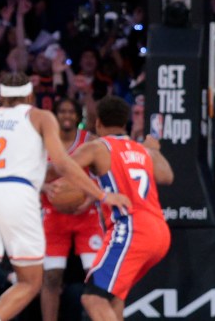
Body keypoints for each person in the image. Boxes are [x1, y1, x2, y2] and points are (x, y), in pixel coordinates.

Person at [0, 73, 130, 321]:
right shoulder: (39, 116)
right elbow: (62, 164)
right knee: (30, 282)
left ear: (0, 97)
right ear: (30, 95)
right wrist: (102, 195)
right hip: (18, 194)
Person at [70, 95, 174, 321]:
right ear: (125, 122)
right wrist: (154, 150)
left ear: (97, 122)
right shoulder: (141, 150)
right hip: (159, 232)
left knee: (92, 298)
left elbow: (64, 165)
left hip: (131, 229)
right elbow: (167, 176)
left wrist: (97, 193)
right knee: (113, 297)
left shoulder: (99, 147)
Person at [40, 98, 103, 321]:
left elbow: (105, 175)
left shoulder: (90, 141)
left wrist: (91, 197)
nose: (66, 115)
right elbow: (28, 174)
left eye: (70, 112)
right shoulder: (43, 142)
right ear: (55, 116)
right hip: (53, 213)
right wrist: (45, 186)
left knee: (95, 276)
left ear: (78, 117)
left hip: (86, 214)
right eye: (62, 111)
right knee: (51, 276)